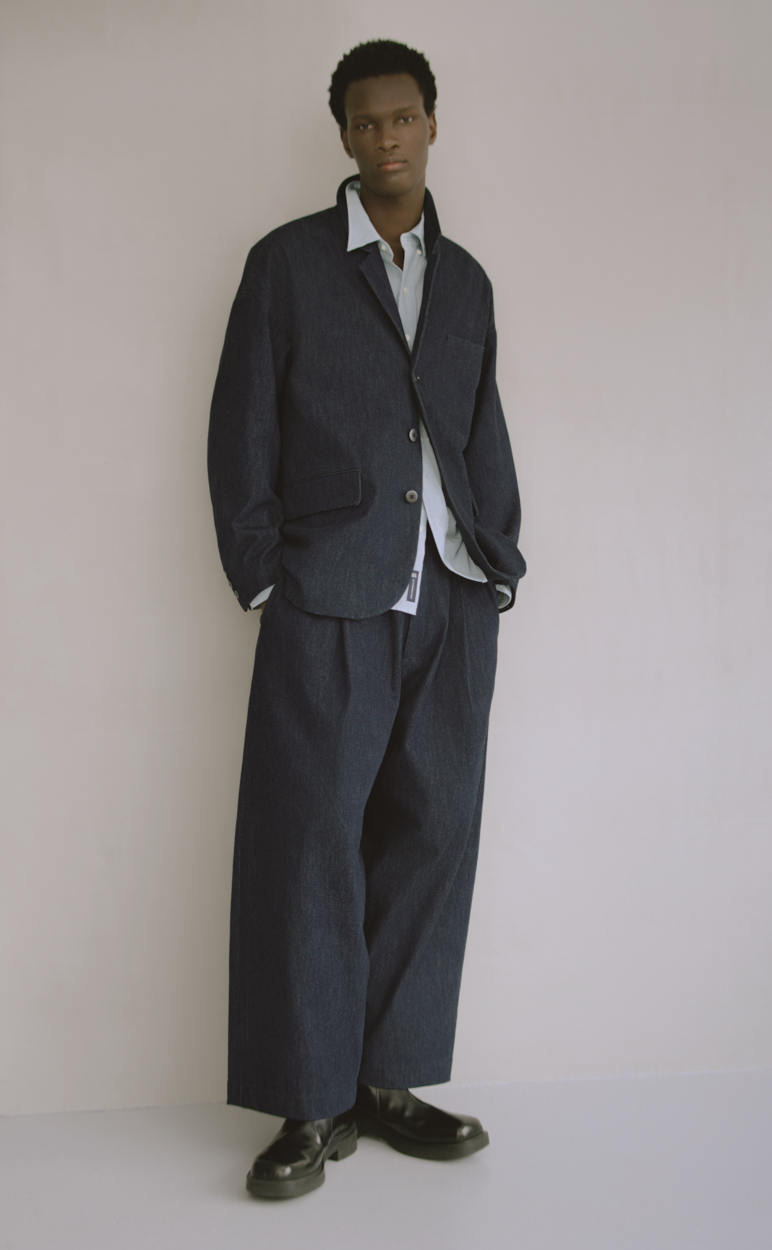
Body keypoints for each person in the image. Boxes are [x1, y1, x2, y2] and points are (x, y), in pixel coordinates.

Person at [208, 39, 525, 1199]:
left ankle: (387, 1081)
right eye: (364, 121)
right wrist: (262, 577)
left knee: (432, 837)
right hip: (328, 595)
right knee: (308, 848)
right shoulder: (287, 265)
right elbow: (240, 425)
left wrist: (497, 566)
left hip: (448, 596)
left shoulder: (468, 280)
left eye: (402, 116)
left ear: (431, 123)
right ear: (343, 135)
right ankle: (309, 1101)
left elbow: (480, 429)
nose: (384, 136)